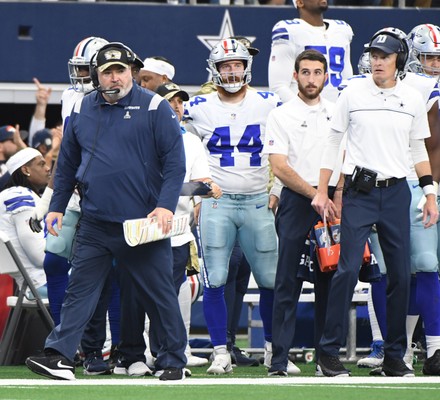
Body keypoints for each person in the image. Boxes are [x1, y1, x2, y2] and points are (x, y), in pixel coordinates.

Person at [25, 41, 188, 381]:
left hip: (142, 222)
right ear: (97, 76)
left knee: (159, 293)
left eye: (120, 71)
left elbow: (175, 164)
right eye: (106, 72)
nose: (114, 78)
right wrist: (55, 207)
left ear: (132, 72)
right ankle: (59, 355)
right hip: (96, 221)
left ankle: (173, 360)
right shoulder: (84, 108)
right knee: (79, 291)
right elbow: (67, 164)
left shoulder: (156, 106)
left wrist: (164, 207)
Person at [312, 28, 439, 377]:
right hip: (359, 191)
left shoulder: (412, 98)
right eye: (374, 55)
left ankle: (395, 356)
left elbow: (417, 149)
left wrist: (430, 193)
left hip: (399, 192)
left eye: (384, 56)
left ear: (399, 59)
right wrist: (323, 190)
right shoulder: (352, 93)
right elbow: (333, 142)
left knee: (400, 274)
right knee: (348, 270)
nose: (377, 61)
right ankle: (327, 353)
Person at [185, 38, 284, 375]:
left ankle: (273, 350)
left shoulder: (269, 102)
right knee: (215, 278)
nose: (232, 71)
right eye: (225, 65)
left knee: (270, 279)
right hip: (218, 202)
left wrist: (280, 187)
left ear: (246, 67)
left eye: (237, 64)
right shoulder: (197, 106)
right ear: (215, 69)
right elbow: (184, 152)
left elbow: (288, 147)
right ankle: (220, 351)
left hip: (258, 200)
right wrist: (196, 193)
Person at [115, 82, 221, 374]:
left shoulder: (192, 141)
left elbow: (202, 182)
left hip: (175, 232)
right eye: (169, 101)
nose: (176, 106)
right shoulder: (137, 134)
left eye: (180, 102)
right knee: (134, 295)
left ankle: (166, 356)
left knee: (168, 298)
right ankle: (133, 355)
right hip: (138, 228)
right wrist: (191, 188)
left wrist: (203, 189)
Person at [357, 26, 440, 376]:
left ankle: (434, 349)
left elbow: (425, 146)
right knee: (389, 271)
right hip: (378, 186)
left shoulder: (426, 92)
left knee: (425, 262)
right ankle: (397, 351)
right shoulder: (359, 88)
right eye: (429, 58)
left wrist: (430, 188)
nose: (434, 65)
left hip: (414, 182)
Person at [263, 49, 344, 376]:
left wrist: (335, 195)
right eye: (306, 72)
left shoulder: (338, 112)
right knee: (288, 280)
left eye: (317, 72)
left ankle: (326, 358)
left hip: (333, 202)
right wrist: (316, 195)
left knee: (331, 280)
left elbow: (345, 157)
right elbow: (279, 167)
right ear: (295, 76)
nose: (312, 79)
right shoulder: (280, 115)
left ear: (326, 76)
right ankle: (279, 361)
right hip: (298, 201)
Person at [268, 0, 353, 103]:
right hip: (301, 113)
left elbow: (348, 82)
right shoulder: (290, 31)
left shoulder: (342, 29)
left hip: (336, 112)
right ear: (300, 2)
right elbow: (278, 86)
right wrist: (305, 109)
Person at [0, 148, 51, 298]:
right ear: (25, 169)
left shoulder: (13, 193)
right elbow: (39, 256)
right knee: (104, 283)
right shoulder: (20, 196)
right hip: (41, 282)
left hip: (31, 282)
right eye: (41, 164)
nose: (48, 168)